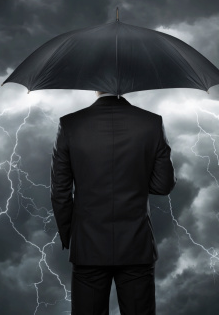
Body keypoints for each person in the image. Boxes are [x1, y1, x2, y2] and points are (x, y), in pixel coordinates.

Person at [51, 90, 177, 314]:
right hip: (136, 245)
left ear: (94, 86)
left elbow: (60, 191)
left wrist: (71, 235)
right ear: (124, 85)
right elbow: (163, 185)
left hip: (88, 245)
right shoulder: (151, 122)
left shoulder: (70, 124)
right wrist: (134, 181)